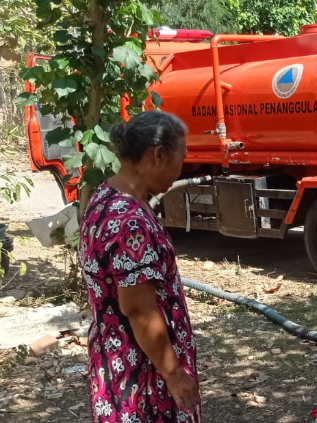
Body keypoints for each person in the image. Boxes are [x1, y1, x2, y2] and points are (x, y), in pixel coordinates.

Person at [78, 111, 201, 422]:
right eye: (181, 158)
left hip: (117, 362)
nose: (180, 169)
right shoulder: (129, 222)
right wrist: (174, 374)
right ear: (158, 155)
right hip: (142, 375)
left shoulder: (105, 198)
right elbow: (140, 310)